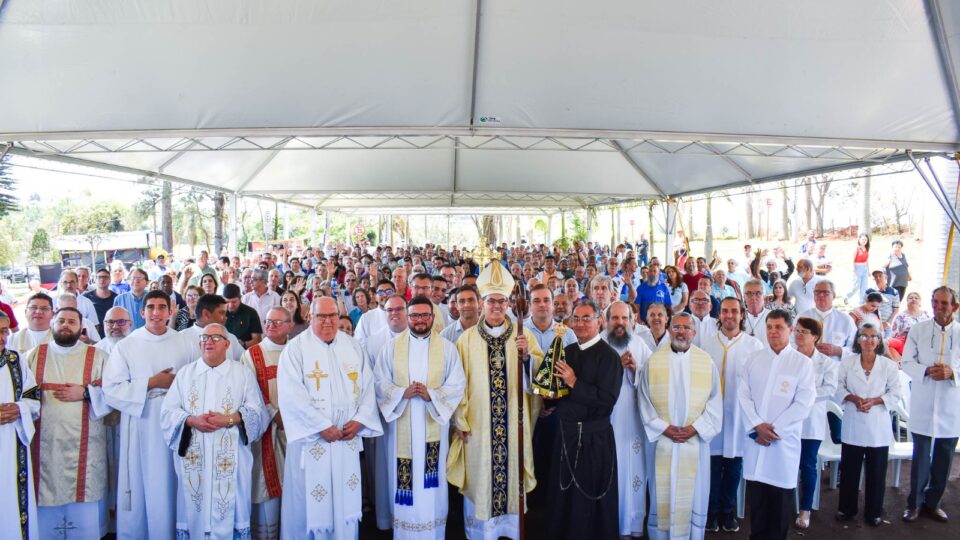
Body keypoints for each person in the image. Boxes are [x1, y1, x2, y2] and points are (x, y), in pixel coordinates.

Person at [448, 261, 544, 540]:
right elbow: (457, 386)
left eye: (503, 301)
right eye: (492, 301)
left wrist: (528, 358)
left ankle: (510, 532)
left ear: (510, 303)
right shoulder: (466, 341)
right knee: (482, 480)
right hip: (478, 430)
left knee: (511, 478)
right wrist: (460, 420)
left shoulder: (523, 337)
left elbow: (540, 379)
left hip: (513, 429)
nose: (498, 306)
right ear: (482, 302)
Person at [279, 295, 383, 540]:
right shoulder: (295, 349)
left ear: (339, 316)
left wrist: (360, 421)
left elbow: (368, 387)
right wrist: (321, 427)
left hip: (346, 439)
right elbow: (291, 397)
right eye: (321, 316)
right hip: (312, 441)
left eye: (332, 315)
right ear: (309, 318)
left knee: (344, 503)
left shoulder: (353, 346)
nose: (327, 321)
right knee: (307, 503)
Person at [160, 322, 268, 539]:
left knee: (231, 511)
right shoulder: (185, 374)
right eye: (204, 338)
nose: (208, 341)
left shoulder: (242, 374)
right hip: (194, 458)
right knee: (193, 508)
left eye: (215, 338)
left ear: (227, 344)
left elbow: (258, 413)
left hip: (231, 460)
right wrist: (190, 420)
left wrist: (228, 419)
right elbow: (167, 413)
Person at [102, 290, 195, 539]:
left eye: (162, 307)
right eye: (150, 307)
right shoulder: (127, 345)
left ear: (171, 311)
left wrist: (176, 384)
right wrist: (153, 382)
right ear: (141, 312)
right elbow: (111, 390)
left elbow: (198, 380)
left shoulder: (185, 342)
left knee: (175, 483)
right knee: (148, 484)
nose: (156, 312)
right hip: (143, 422)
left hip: (178, 422)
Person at [372, 296, 466, 539]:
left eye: (425, 315)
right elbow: (379, 383)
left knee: (430, 485)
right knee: (405, 482)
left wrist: (431, 395)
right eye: (415, 315)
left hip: (433, 426)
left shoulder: (446, 348)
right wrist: (401, 393)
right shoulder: (391, 348)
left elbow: (457, 385)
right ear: (407, 317)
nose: (420, 320)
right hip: (401, 429)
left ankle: (433, 533)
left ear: (432, 317)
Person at [24, 307, 112, 539]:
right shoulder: (34, 356)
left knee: (83, 508)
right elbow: (22, 395)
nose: (65, 325)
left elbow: (115, 393)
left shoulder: (98, 356)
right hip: (45, 448)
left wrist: (85, 393)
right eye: (61, 320)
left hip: (85, 447)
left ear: (80, 327)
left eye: (71, 321)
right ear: (52, 324)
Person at [638, 311, 722, 540]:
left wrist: (695, 429)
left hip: (693, 443)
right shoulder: (654, 361)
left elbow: (715, 403)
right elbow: (643, 400)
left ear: (694, 333)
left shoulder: (706, 361)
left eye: (686, 328)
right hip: (663, 442)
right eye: (676, 327)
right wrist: (663, 428)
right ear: (669, 330)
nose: (681, 332)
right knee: (660, 495)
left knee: (693, 494)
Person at [546, 300, 622, 539]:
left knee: (589, 502)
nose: (580, 324)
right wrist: (548, 399)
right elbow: (556, 392)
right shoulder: (567, 352)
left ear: (599, 321)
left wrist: (574, 383)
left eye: (586, 318)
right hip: (566, 435)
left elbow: (607, 400)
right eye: (576, 318)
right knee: (564, 499)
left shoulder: (609, 357)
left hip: (594, 440)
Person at [738, 309, 816, 540]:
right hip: (756, 440)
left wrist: (772, 431)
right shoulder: (754, 359)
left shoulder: (802, 364)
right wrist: (756, 425)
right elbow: (744, 396)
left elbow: (803, 403)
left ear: (790, 330)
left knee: (780, 507)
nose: (773, 331)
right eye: (770, 327)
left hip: (782, 444)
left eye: (779, 327)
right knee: (758, 504)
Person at [701, 297, 764, 533]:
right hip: (714, 416)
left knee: (734, 465)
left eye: (734, 311)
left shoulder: (753, 346)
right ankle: (711, 511)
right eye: (725, 311)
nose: (729, 315)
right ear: (719, 315)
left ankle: (728, 511)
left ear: (741, 315)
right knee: (713, 465)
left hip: (740, 417)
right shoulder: (707, 345)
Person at [900, 286, 960, 523]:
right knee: (921, 455)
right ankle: (913, 504)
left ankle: (933, 503)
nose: (939, 307)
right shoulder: (919, 329)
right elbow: (905, 362)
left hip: (951, 404)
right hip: (924, 401)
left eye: (944, 303)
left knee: (944, 458)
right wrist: (926, 370)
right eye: (935, 301)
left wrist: (952, 373)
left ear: (954, 306)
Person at [835, 322, 900, 527]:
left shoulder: (888, 365)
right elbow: (837, 387)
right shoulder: (847, 362)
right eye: (864, 336)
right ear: (857, 340)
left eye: (874, 336)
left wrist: (875, 401)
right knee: (849, 470)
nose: (869, 340)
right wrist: (853, 398)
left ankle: (874, 512)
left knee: (876, 472)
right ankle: (847, 509)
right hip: (854, 421)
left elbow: (895, 394)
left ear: (880, 341)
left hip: (877, 425)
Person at [239, 307, 294, 540]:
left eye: (277, 322)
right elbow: (250, 391)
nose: (270, 325)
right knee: (267, 483)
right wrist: (274, 414)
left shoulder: (298, 351)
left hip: (298, 427)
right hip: (268, 430)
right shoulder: (252, 354)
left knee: (295, 485)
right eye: (267, 321)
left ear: (290, 325)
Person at [603, 302, 652, 538]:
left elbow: (653, 376)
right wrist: (616, 367)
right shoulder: (598, 343)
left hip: (633, 420)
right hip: (606, 420)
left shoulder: (639, 343)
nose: (620, 323)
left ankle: (632, 523)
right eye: (615, 318)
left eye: (624, 318)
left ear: (632, 320)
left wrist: (637, 368)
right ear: (607, 320)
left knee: (634, 472)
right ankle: (609, 523)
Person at [791, 317, 838, 530]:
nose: (798, 335)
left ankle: (805, 508)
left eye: (804, 332)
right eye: (797, 331)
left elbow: (829, 389)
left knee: (808, 465)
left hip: (812, 422)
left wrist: (804, 396)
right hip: (788, 420)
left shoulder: (826, 363)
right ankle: (785, 504)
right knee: (787, 464)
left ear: (815, 336)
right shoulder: (787, 357)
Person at [0, 311, 40, 540]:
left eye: (5, 331)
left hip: (13, 445)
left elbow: (33, 399)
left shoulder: (16, 361)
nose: (2, 337)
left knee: (13, 503)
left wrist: (19, 408)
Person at [797, 280, 856, 361]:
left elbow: (855, 349)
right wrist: (806, 348)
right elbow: (791, 342)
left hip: (835, 369)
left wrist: (838, 351)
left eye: (826, 293)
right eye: (817, 292)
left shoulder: (846, 320)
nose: (821, 295)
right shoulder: (802, 317)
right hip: (806, 367)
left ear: (834, 295)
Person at [182, 294, 245, 362]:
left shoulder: (230, 338)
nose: (225, 317)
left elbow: (245, 362)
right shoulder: (182, 338)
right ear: (206, 314)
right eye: (221, 313)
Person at [8, 294, 54, 360]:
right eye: (33, 307)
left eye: (44, 308)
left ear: (52, 314)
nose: (38, 312)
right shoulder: (11, 340)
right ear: (25, 312)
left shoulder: (60, 339)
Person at [889, 291, 929, 356]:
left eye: (916, 298)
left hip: (924, 346)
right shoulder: (900, 316)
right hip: (906, 347)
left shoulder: (926, 315)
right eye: (911, 298)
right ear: (907, 301)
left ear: (920, 302)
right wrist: (903, 333)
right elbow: (893, 336)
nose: (913, 299)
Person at [224, 284, 264, 349]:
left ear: (240, 298)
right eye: (227, 302)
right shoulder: (220, 313)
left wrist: (243, 344)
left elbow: (257, 340)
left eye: (234, 302)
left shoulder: (251, 313)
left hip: (245, 351)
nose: (230, 306)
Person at [83, 267, 117, 338]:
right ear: (95, 279)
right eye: (99, 277)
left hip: (112, 335)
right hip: (92, 337)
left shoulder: (117, 298)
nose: (102, 280)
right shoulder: (86, 297)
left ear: (110, 280)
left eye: (105, 277)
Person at [865, 270, 900, 335]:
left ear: (886, 277)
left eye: (880, 276)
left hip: (886, 325)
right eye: (876, 277)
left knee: (885, 344)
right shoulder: (869, 292)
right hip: (872, 324)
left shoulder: (894, 292)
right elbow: (865, 308)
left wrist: (888, 323)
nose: (878, 278)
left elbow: (896, 310)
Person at [844, 233, 871, 304]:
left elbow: (867, 260)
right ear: (859, 240)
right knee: (856, 286)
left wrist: (868, 270)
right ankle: (846, 296)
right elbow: (852, 260)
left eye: (866, 239)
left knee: (864, 287)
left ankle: (861, 303)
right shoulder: (856, 248)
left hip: (864, 268)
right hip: (857, 268)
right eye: (863, 239)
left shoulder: (866, 249)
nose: (864, 241)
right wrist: (853, 269)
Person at [742, 280, 770, 347]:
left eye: (758, 293)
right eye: (749, 293)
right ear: (744, 297)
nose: (753, 297)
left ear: (764, 296)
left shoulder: (772, 316)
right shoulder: (739, 317)